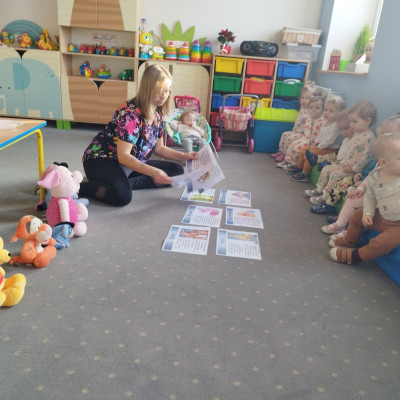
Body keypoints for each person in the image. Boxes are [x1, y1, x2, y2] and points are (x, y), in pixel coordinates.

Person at [79, 64, 197, 207]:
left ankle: (121, 183)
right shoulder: (130, 114)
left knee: (176, 170)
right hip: (101, 159)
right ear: (148, 89)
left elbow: (160, 149)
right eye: (160, 91)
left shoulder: (158, 114)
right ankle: (81, 187)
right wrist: (153, 172)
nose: (164, 96)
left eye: (167, 91)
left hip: (127, 165)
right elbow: (123, 156)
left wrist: (184, 156)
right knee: (122, 196)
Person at [321, 114, 400, 235]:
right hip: (372, 194)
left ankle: (349, 231)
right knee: (353, 199)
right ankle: (340, 224)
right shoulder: (383, 162)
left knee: (366, 213)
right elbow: (372, 175)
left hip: (387, 203)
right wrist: (361, 188)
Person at [329, 132, 400, 265]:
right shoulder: (375, 176)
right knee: (357, 215)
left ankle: (354, 256)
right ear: (383, 163)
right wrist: (368, 213)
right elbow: (370, 196)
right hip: (382, 216)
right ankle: (350, 240)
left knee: (383, 242)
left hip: (398, 225)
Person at [309, 100, 377, 214]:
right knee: (326, 169)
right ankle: (319, 189)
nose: (351, 124)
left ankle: (325, 199)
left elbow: (366, 158)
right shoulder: (357, 133)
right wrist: (341, 161)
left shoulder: (369, 138)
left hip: (353, 171)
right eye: (351, 121)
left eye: (354, 121)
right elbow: (350, 150)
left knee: (335, 175)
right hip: (344, 164)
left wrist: (353, 169)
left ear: (367, 121)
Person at [288, 96, 346, 182]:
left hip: (331, 149)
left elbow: (329, 141)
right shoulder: (325, 122)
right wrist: (315, 143)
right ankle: (299, 167)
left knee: (310, 154)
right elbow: (320, 135)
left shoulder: (336, 126)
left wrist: (317, 147)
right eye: (325, 110)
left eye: (331, 111)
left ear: (339, 113)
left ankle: (305, 174)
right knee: (303, 150)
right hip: (321, 146)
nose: (326, 113)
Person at [277, 96, 325, 169]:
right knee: (292, 144)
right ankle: (287, 161)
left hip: (312, 142)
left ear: (322, 110)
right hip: (304, 139)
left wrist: (316, 144)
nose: (314, 110)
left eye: (317, 108)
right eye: (311, 108)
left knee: (297, 148)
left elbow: (321, 135)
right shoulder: (309, 118)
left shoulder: (321, 120)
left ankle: (293, 164)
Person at [271, 84, 314, 163]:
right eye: (303, 98)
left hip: (302, 134)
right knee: (284, 134)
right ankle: (281, 151)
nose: (304, 100)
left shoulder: (310, 110)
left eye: (307, 98)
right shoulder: (302, 108)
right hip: (296, 131)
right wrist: (294, 130)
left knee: (289, 139)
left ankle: (285, 154)